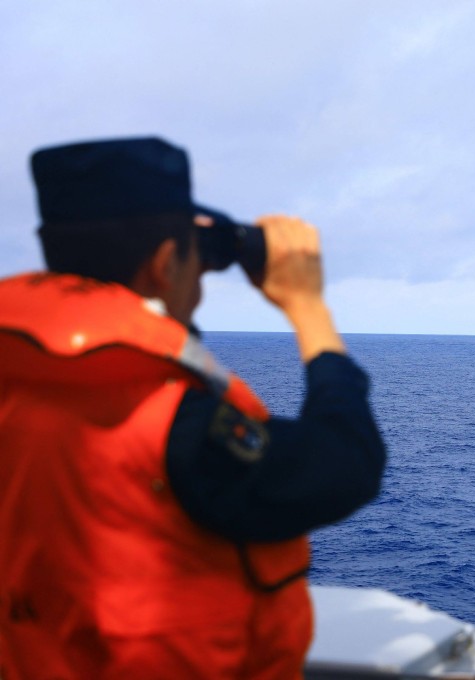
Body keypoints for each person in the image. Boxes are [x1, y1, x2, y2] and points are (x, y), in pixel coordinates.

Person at [0, 137, 387, 679]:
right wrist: (306, 305)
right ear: (164, 264)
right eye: (196, 266)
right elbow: (347, 464)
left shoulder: (17, 387)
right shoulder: (173, 424)